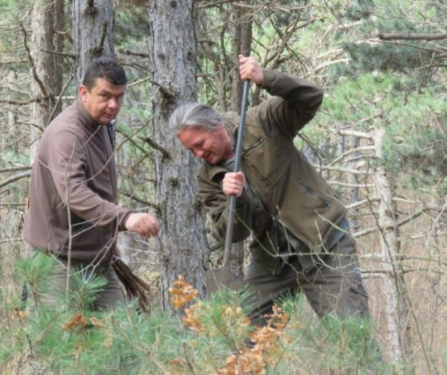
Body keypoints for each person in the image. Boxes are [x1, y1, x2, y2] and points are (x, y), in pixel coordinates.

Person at [172, 55, 370, 326]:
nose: (198, 154)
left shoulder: (261, 122)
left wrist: (267, 78)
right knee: (244, 345)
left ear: (216, 127)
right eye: (191, 150)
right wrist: (236, 200)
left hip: (324, 242)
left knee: (351, 339)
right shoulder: (208, 178)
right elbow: (233, 233)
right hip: (272, 261)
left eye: (200, 143)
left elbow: (311, 97)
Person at [23, 57, 159, 311]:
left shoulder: (102, 125)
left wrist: (109, 242)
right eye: (105, 96)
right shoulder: (67, 134)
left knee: (122, 338)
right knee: (61, 345)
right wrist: (125, 218)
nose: (113, 105)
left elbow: (100, 189)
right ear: (83, 93)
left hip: (99, 260)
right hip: (59, 262)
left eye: (119, 98)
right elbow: (73, 193)